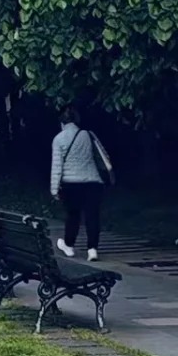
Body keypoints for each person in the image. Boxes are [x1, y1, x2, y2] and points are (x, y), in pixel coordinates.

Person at [50, 106, 110, 261]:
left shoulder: (59, 139)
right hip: (93, 181)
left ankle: (69, 246)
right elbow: (101, 156)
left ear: (62, 123)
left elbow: (57, 166)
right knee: (92, 216)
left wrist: (54, 189)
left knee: (73, 215)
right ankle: (92, 249)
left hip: (71, 184)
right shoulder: (87, 135)